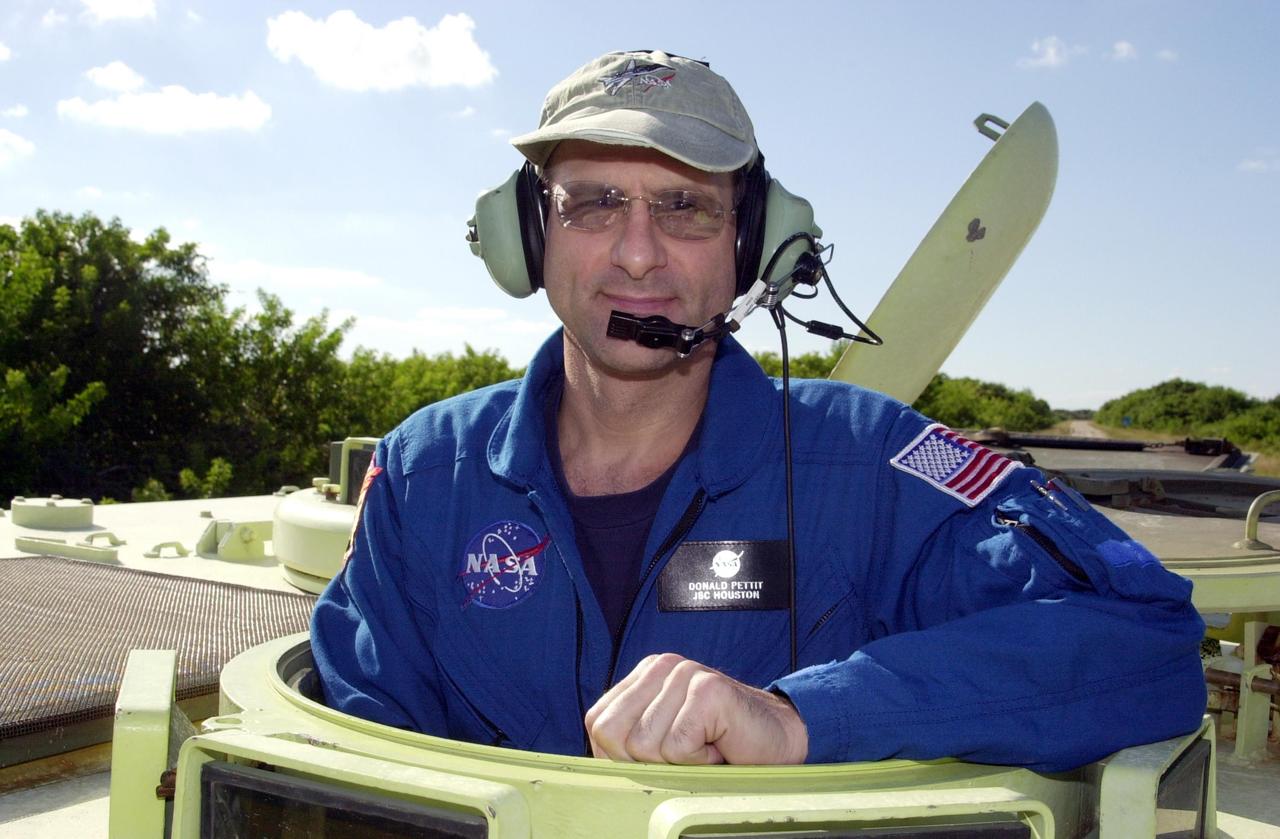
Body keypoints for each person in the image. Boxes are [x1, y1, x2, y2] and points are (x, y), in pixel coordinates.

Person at [311, 49, 1207, 772]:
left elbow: (1147, 638)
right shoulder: (425, 476)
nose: (637, 255)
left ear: (755, 247)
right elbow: (358, 745)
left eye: (687, 209)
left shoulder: (871, 461)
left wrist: (801, 716)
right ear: (527, 236)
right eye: (593, 204)